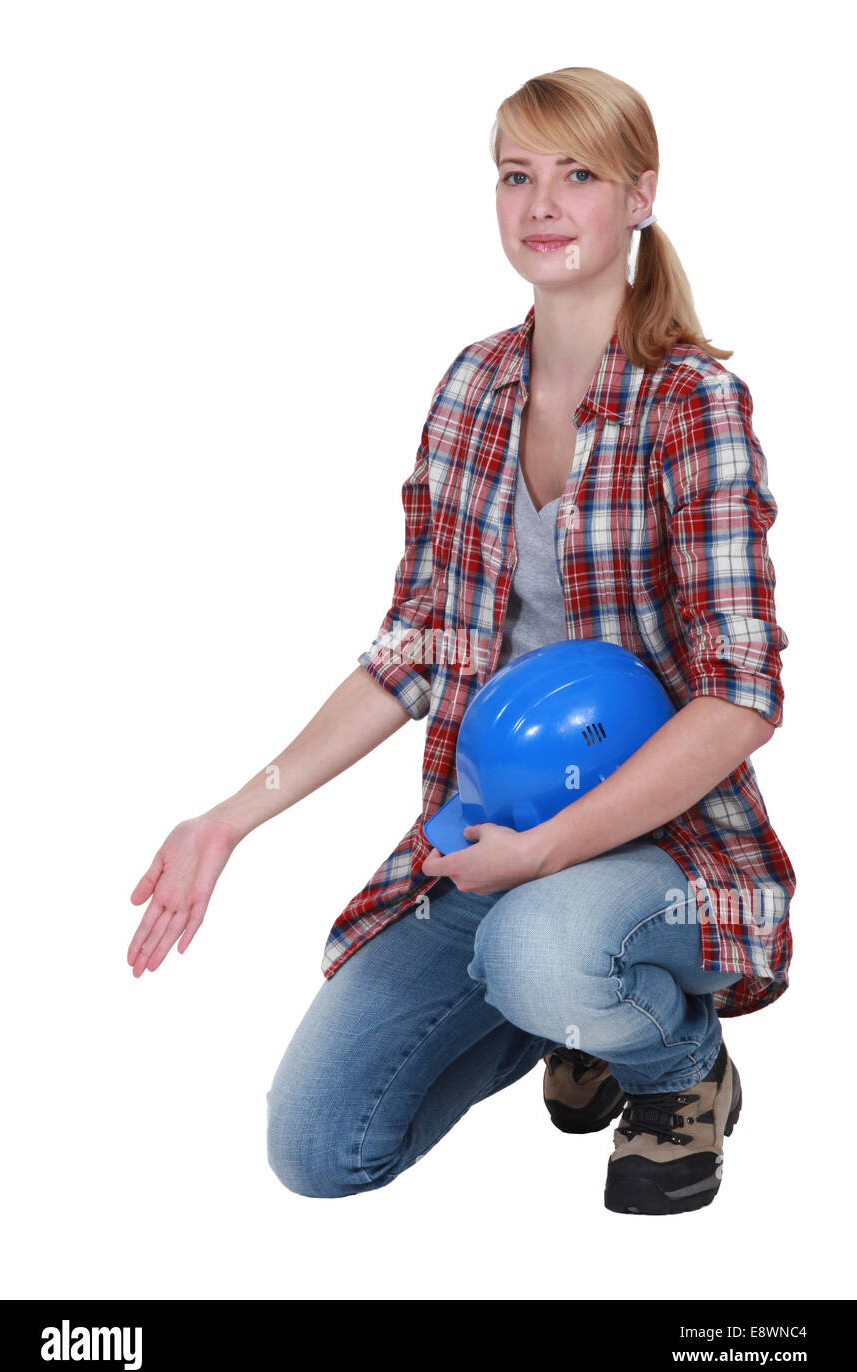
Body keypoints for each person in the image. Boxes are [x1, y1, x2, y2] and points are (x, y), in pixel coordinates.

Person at [127, 66, 796, 1216]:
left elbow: (739, 697)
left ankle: (674, 1067)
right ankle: (563, 1006)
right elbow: (414, 647)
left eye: (577, 173)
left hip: (670, 861)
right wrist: (227, 817)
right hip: (491, 839)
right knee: (317, 1149)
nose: (541, 203)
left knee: (543, 945)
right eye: (515, 175)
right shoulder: (474, 389)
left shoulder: (690, 403)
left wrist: (544, 861)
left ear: (638, 196)